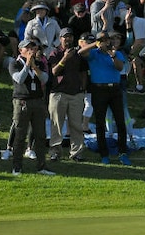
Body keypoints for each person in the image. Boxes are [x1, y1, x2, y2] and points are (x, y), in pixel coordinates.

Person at [79, 31, 131, 165]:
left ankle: (122, 152)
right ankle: (104, 154)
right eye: (102, 40)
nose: (105, 42)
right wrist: (94, 44)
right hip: (98, 90)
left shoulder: (116, 53)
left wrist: (113, 56)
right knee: (100, 123)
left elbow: (120, 67)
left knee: (120, 122)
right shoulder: (93, 54)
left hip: (115, 89)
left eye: (106, 40)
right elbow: (81, 52)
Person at [8, 40, 55, 176]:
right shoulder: (14, 63)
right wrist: (27, 64)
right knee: (20, 135)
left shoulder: (38, 63)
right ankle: (17, 166)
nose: (30, 50)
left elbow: (45, 79)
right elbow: (19, 79)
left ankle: (42, 166)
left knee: (40, 135)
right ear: (20, 50)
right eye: (27, 48)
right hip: (22, 102)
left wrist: (34, 67)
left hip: (37, 101)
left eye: (32, 48)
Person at [47, 28, 88, 162]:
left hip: (76, 94)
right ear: (60, 39)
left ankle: (76, 152)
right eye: (65, 37)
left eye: (70, 37)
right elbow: (54, 71)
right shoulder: (55, 52)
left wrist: (83, 88)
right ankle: (55, 151)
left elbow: (83, 72)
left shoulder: (78, 54)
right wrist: (65, 58)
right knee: (57, 125)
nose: (68, 39)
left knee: (76, 125)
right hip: (58, 94)